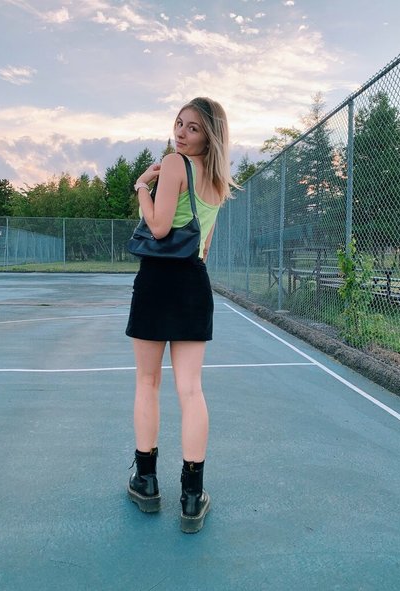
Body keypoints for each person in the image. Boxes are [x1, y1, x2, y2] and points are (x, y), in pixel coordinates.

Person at [126, 97, 235, 533]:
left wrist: (141, 186)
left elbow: (158, 227)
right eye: (179, 123)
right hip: (193, 282)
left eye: (192, 127)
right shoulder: (218, 181)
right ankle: (192, 496)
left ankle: (147, 482)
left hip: (157, 282)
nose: (181, 133)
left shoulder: (174, 165)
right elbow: (202, 245)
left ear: (209, 135)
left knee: (147, 382)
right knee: (191, 390)